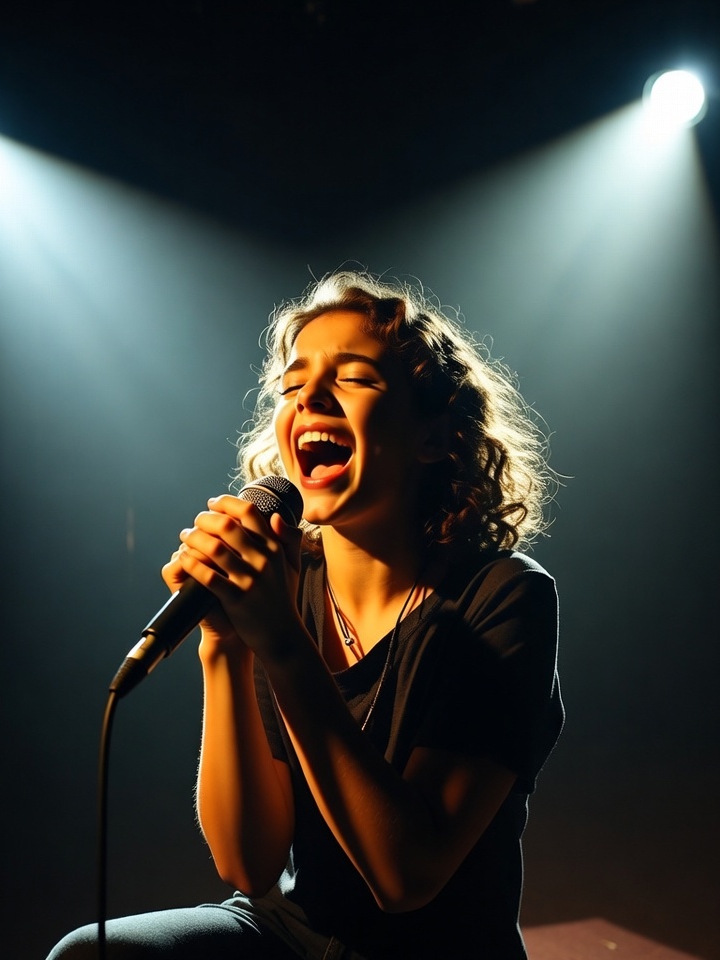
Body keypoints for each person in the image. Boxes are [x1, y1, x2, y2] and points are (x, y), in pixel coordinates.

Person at [47, 270, 564, 959]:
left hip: (436, 951)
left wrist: (284, 643)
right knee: (93, 953)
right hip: (292, 934)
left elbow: (407, 876)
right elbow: (249, 865)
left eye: (353, 379)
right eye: (293, 387)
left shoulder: (503, 599)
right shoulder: (288, 587)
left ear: (436, 437)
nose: (310, 397)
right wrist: (224, 644)